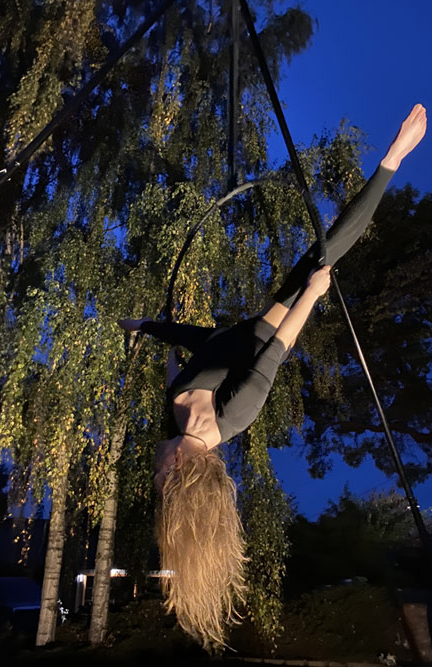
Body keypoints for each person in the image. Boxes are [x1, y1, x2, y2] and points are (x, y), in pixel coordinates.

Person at [118, 104, 427, 650]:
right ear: (184, 467)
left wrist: (146, 326)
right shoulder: (233, 416)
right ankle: (394, 157)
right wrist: (312, 294)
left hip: (231, 332)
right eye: (163, 476)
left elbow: (199, 345)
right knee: (329, 250)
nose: (156, 469)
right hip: (273, 323)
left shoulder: (176, 417)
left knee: (238, 313)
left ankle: (390, 161)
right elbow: (277, 350)